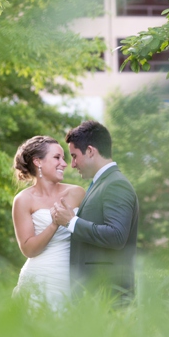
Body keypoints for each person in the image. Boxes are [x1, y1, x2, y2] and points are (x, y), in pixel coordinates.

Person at [50, 120, 139, 303]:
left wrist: (71, 222)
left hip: (109, 295)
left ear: (90, 151)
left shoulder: (116, 184)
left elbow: (116, 236)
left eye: (74, 156)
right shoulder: (100, 184)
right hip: (95, 294)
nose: (72, 164)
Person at [11, 136, 85, 310]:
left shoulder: (77, 193)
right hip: (39, 279)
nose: (64, 163)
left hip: (73, 281)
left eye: (64, 158)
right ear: (38, 162)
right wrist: (54, 224)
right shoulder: (23, 200)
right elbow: (29, 249)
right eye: (57, 157)